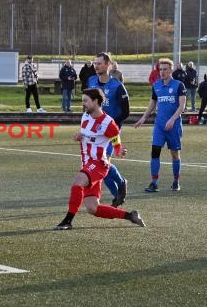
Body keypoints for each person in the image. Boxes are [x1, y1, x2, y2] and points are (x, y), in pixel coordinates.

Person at [54, 88, 145, 230]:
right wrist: (79, 136)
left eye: (86, 101)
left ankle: (67, 221)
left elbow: (116, 141)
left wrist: (119, 150)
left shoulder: (108, 122)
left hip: (99, 164)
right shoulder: (85, 116)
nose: (83, 104)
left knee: (78, 182)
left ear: (96, 101)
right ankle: (130, 216)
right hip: (87, 164)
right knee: (92, 208)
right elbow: (86, 134)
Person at [134, 58, 186, 192]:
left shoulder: (179, 85)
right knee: (155, 152)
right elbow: (152, 103)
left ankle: (176, 181)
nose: (162, 72)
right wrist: (144, 117)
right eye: (160, 69)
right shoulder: (156, 85)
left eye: (165, 69)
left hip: (173, 126)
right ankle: (154, 182)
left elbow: (182, 106)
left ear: (171, 70)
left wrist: (173, 119)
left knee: (175, 154)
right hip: (159, 126)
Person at [87, 52, 130, 207]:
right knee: (100, 164)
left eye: (99, 63)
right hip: (94, 131)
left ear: (108, 65)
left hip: (111, 131)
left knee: (102, 163)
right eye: (95, 63)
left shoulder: (118, 86)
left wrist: (108, 124)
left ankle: (120, 185)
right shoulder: (91, 81)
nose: (96, 66)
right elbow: (87, 104)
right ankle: (118, 193)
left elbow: (126, 112)